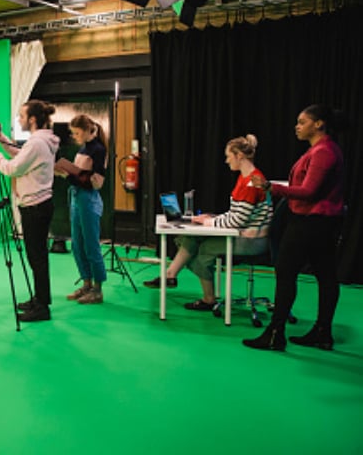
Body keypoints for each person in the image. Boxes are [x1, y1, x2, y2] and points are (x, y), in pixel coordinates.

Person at [243, 104, 348, 351]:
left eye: (302, 122)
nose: (297, 127)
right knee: (325, 275)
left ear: (319, 124)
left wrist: (271, 187)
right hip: (321, 223)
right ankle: (322, 332)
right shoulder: (323, 150)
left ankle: (275, 333)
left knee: (287, 272)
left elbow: (309, 191)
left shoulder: (323, 152)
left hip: (310, 223)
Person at [144, 135, 273, 310]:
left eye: (229, 156)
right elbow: (236, 214)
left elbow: (237, 220)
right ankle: (170, 275)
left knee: (203, 252)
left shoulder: (250, 182)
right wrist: (210, 220)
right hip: (244, 234)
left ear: (239, 156)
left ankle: (208, 299)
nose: (227, 161)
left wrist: (210, 223)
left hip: (251, 241)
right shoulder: (247, 177)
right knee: (190, 238)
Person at [0, 100, 59, 322]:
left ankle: (42, 307)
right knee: (37, 257)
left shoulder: (36, 144)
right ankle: (39, 299)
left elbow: (11, 167)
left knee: (37, 258)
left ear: (33, 119)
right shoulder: (42, 140)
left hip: (35, 207)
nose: (20, 119)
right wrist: (1, 137)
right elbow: (19, 152)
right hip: (39, 205)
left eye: (22, 116)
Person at [54, 114, 108, 304]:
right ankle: (86, 284)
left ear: (86, 131)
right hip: (76, 197)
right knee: (77, 244)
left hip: (88, 199)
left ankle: (98, 289)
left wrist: (67, 176)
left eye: (77, 133)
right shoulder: (84, 148)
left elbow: (96, 183)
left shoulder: (99, 150)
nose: (75, 137)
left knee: (91, 245)